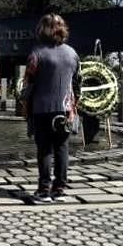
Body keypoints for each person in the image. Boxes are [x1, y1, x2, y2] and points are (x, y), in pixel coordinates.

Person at [23, 13, 80, 204]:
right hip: (65, 109)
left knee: (45, 150)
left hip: (41, 109)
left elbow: (28, 85)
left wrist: (25, 106)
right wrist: (74, 106)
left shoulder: (37, 53)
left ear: (42, 29)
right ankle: (60, 188)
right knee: (62, 148)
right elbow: (78, 84)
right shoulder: (73, 53)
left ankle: (43, 190)